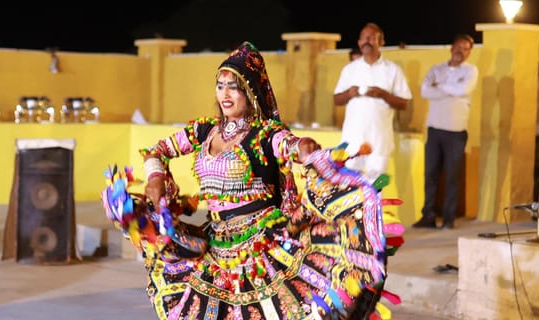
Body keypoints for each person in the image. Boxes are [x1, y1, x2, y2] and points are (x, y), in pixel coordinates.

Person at [101, 41, 402, 319]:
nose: (225, 94)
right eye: (220, 86)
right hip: (216, 246)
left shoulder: (265, 134)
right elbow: (156, 151)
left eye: (234, 87)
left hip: (261, 247)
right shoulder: (205, 131)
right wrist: (155, 177)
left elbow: (291, 145)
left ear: (250, 92)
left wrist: (304, 147)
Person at [412, 34, 478, 230]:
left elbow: (463, 90)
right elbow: (425, 91)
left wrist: (439, 86)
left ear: (469, 53)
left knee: (452, 177)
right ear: (451, 48)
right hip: (434, 129)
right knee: (430, 174)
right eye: (458, 47)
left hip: (456, 131)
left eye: (465, 49)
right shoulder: (436, 69)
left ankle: (449, 218)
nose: (461, 51)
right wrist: (451, 89)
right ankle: (428, 216)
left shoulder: (470, 70)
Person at [333, 23, 412, 182]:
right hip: (352, 141)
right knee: (348, 187)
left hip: (379, 141)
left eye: (371, 38)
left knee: (375, 188)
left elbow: (404, 103)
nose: (366, 41)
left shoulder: (393, 70)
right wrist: (349, 94)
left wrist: (383, 94)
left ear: (381, 42)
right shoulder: (350, 69)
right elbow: (337, 99)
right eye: (363, 38)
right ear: (359, 42)